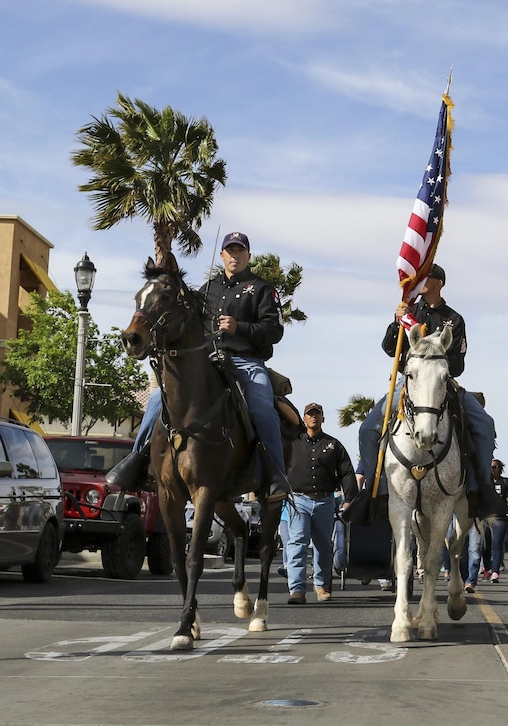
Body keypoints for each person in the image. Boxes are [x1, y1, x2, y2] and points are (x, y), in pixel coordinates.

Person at [107, 231, 292, 503]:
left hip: (245, 361)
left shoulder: (262, 288)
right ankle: (138, 459)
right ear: (222, 255)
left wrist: (239, 327)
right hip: (207, 361)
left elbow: (274, 330)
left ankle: (274, 476)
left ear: (248, 256)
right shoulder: (207, 290)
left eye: (240, 251)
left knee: (263, 406)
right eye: (230, 250)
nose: (235, 255)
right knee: (158, 398)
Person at [357, 263, 507, 519]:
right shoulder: (410, 311)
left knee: (484, 424)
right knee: (368, 428)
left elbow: (458, 366)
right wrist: (397, 323)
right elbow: (389, 349)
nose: (420, 282)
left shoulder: (454, 319)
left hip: (443, 386)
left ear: (439, 283)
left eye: (427, 278)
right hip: (409, 386)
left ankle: (479, 488)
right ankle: (372, 488)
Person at [286, 402, 359, 604]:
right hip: (298, 500)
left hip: (325, 501)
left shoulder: (333, 445)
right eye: (310, 414)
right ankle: (297, 590)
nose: (314, 417)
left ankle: (322, 586)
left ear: (323, 418)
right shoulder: (292, 443)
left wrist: (349, 500)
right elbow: (279, 466)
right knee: (297, 544)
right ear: (304, 418)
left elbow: (346, 472)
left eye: (317, 414)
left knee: (324, 546)